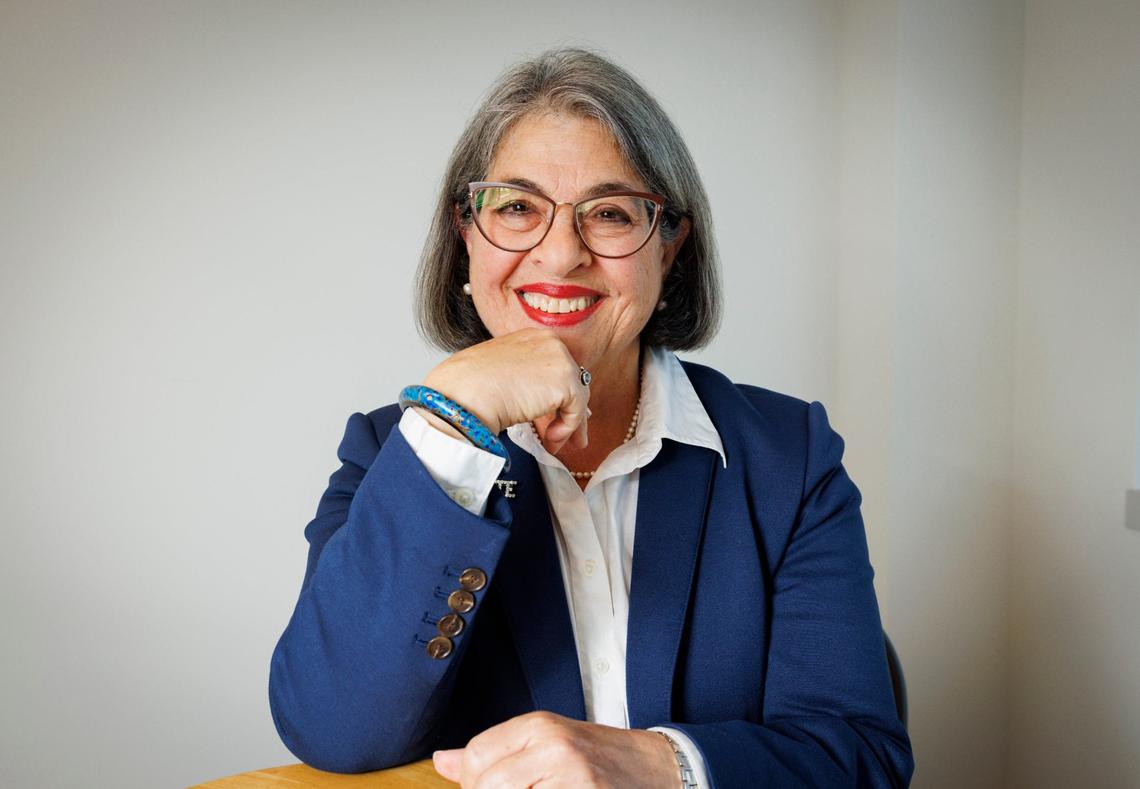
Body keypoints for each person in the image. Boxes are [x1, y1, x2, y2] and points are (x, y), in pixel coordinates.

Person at [268, 48, 914, 788]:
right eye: (516, 207)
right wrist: (455, 423)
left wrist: (661, 763)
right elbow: (333, 727)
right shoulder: (397, 451)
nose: (561, 253)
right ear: (465, 238)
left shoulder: (787, 456)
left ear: (669, 246)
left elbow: (859, 757)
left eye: (608, 213)